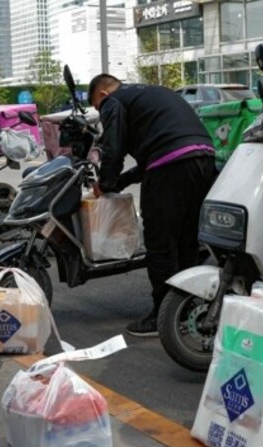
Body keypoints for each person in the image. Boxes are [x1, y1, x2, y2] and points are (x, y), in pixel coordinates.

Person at [88, 74, 216, 337]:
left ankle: (162, 314)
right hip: (204, 158)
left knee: (160, 242)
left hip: (170, 165)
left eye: (98, 109)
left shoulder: (113, 102)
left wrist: (107, 181)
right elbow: (152, 158)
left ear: (102, 96)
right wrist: (119, 183)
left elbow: (113, 147)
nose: (102, 114)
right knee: (187, 240)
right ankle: (189, 307)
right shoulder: (152, 92)